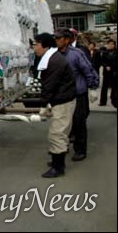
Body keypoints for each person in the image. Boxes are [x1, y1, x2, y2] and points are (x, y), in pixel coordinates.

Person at [34, 33, 76, 178]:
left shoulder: (54, 61)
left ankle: (58, 167)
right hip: (62, 99)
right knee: (59, 133)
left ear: (44, 45)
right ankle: (57, 162)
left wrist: (43, 104)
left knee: (57, 134)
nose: (34, 48)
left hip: (63, 101)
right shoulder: (53, 57)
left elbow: (49, 85)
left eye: (36, 45)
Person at [54, 28, 99, 162]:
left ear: (67, 40)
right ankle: (60, 152)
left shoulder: (76, 54)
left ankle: (80, 150)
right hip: (62, 95)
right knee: (63, 125)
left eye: (58, 38)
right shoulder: (54, 54)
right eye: (55, 38)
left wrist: (93, 87)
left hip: (78, 94)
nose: (56, 40)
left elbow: (88, 70)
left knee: (79, 123)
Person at [99, 39, 117, 108]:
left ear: (114, 45)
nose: (110, 45)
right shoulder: (105, 52)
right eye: (109, 44)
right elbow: (102, 61)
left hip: (114, 72)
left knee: (114, 87)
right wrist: (106, 66)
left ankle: (114, 100)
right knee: (104, 87)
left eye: (112, 44)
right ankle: (103, 101)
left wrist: (112, 67)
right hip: (106, 72)